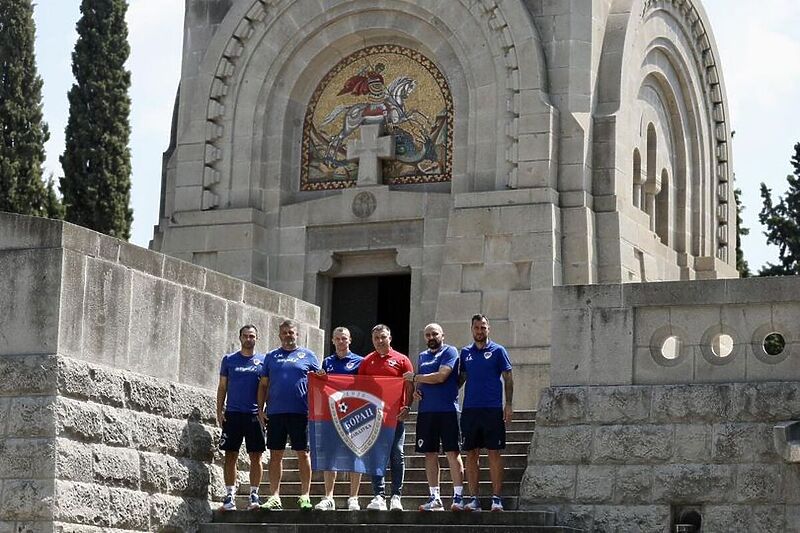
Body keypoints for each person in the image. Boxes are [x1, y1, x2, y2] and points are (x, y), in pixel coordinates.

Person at [257, 319, 320, 511]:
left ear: (297, 334)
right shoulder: (271, 357)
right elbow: (263, 384)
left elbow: (320, 383)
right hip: (275, 412)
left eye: (291, 332)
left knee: (303, 454)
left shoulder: (308, 355)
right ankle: (274, 496)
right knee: (275, 455)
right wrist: (260, 409)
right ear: (279, 335)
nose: (288, 335)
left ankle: (305, 495)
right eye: (284, 332)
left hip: (301, 412)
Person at [459, 314, 513, 512]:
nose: (479, 331)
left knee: (494, 452)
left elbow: (508, 377)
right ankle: (474, 499)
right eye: (476, 328)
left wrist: (509, 405)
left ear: (488, 328)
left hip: (492, 409)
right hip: (470, 409)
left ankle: (496, 498)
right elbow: (460, 378)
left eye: (483, 327)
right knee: (471, 453)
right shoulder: (465, 353)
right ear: (471, 329)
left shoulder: (499, 351)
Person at [358, 324, 414, 511]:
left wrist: (407, 406)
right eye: (376, 338)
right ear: (372, 340)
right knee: (376, 455)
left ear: (389, 338)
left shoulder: (402, 359)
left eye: (383, 337)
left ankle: (396, 496)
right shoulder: (366, 361)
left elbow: (409, 385)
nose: (380, 341)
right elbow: (360, 388)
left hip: (395, 416)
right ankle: (378, 496)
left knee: (397, 455)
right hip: (374, 417)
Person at [411, 323, 465, 511]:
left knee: (452, 452)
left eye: (434, 334)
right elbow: (422, 383)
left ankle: (458, 496)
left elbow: (441, 376)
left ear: (443, 335)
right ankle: (434, 497)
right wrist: (417, 392)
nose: (431, 337)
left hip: (447, 410)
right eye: (427, 335)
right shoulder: (422, 356)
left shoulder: (450, 351)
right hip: (426, 411)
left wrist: (416, 378)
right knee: (429, 454)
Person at [314, 327, 364, 511]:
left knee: (355, 454)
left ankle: (354, 497)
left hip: (355, 415)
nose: (341, 341)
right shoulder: (327, 362)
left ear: (349, 340)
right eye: (337, 339)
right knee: (330, 455)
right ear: (332, 341)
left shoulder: (361, 362)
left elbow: (367, 388)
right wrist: (320, 379)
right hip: (332, 415)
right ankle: (328, 497)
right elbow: (321, 388)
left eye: (344, 338)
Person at [216, 325, 266, 511]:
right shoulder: (229, 360)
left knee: (256, 456)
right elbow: (222, 387)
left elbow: (267, 387)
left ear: (256, 338)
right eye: (245, 336)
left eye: (252, 336)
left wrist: (264, 410)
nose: (248, 339)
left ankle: (254, 495)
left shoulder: (263, 361)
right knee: (230, 455)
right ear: (240, 338)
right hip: (233, 414)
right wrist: (219, 410)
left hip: (254, 415)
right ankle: (230, 496)